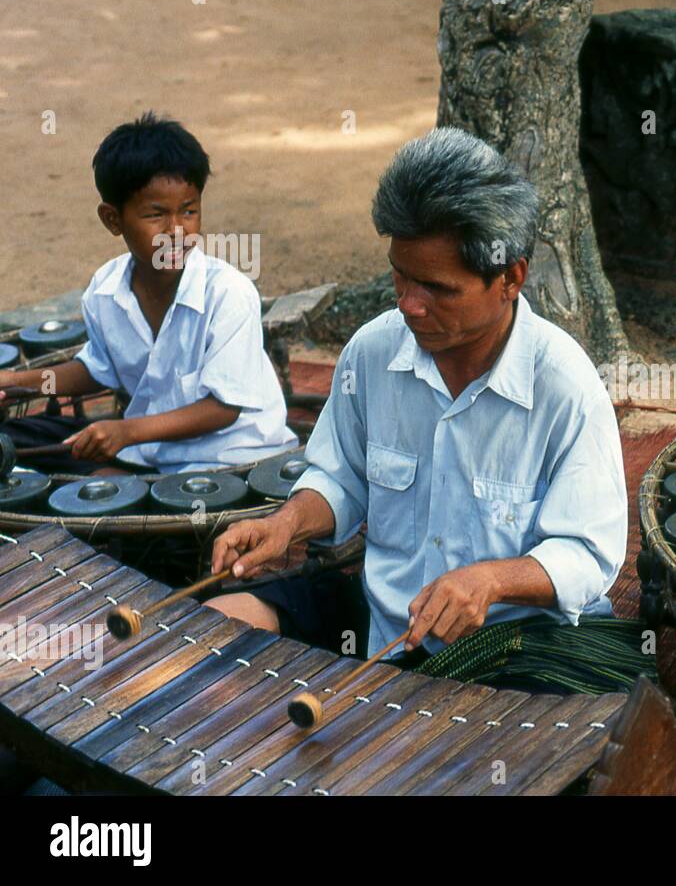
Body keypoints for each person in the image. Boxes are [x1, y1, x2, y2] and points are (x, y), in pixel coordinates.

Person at [207, 127, 652, 696]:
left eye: (437, 288)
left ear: (510, 277)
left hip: (517, 648)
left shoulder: (565, 387)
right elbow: (340, 479)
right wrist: (286, 523)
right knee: (222, 626)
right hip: (384, 630)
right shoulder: (371, 353)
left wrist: (491, 581)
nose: (409, 304)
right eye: (401, 274)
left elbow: (587, 554)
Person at [0, 112, 298, 475]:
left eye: (189, 211)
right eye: (156, 215)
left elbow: (223, 408)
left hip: (232, 459)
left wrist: (126, 431)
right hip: (147, 450)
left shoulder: (228, 293)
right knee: (14, 438)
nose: (176, 230)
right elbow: (98, 369)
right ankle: (114, 484)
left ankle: (118, 492)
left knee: (91, 489)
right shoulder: (105, 291)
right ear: (112, 220)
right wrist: (17, 383)